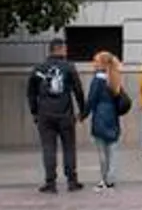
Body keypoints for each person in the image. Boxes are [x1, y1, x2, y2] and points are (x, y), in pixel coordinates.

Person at [27, 38, 87, 193]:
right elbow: (78, 90)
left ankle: (50, 182)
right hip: (65, 113)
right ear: (60, 49)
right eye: (65, 48)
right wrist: (83, 110)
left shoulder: (39, 68)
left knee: (48, 148)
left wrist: (34, 112)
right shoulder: (69, 67)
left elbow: (31, 93)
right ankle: (72, 181)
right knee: (69, 147)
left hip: (45, 114)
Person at [84, 51, 126, 189]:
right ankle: (111, 179)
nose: (93, 63)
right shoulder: (114, 78)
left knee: (102, 152)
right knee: (112, 151)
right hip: (113, 117)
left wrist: (83, 114)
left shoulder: (97, 79)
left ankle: (103, 179)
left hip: (100, 116)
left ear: (101, 63)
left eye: (95, 61)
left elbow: (91, 99)